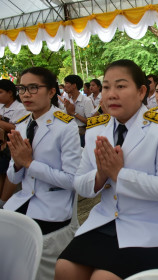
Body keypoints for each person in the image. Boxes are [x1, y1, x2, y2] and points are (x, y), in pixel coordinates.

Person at [55, 59, 158, 280]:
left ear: (141, 91)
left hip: (150, 225)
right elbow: (79, 183)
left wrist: (119, 174)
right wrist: (100, 175)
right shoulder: (96, 130)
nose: (111, 94)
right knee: (64, 269)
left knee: (103, 278)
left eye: (121, 86)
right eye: (106, 87)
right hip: (106, 219)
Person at [3, 67, 81, 279]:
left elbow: (72, 180)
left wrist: (29, 163)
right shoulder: (21, 125)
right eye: (22, 88)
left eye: (33, 88)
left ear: (51, 92)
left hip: (51, 207)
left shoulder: (65, 127)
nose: (26, 94)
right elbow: (12, 176)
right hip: (22, 201)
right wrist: (19, 165)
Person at [0, 79, 29, 208]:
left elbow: (17, 128)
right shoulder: (1, 106)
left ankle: (3, 202)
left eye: (0, 92)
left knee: (5, 172)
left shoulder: (20, 108)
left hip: (11, 146)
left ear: (10, 93)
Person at [63, 74, 94, 147]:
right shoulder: (68, 101)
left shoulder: (86, 101)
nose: (65, 86)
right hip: (70, 133)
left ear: (74, 85)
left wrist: (73, 113)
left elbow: (90, 121)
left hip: (82, 134)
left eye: (67, 83)